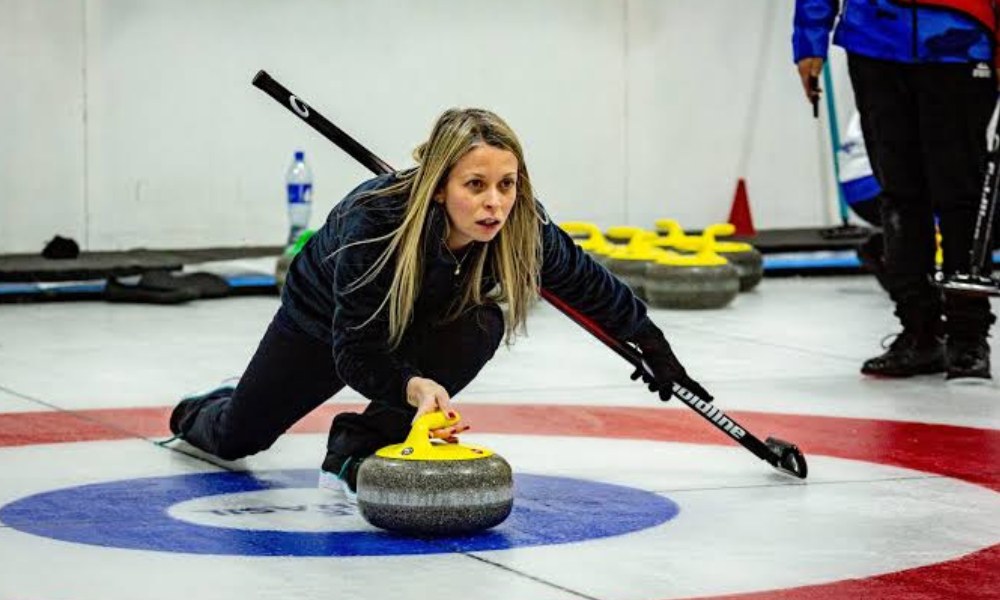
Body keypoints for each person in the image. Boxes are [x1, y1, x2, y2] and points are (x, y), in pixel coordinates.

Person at [168, 108, 710, 502]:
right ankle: (207, 406)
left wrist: (652, 341)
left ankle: (360, 441)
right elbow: (355, 351)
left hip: (425, 318)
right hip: (322, 325)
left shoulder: (521, 225)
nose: (493, 202)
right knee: (239, 439)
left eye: (506, 184)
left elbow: (588, 283)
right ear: (439, 186)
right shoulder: (373, 226)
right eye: (474, 184)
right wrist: (411, 385)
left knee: (482, 323)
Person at [793, 0, 998, 381]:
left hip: (961, 42)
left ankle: (968, 337)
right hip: (875, 43)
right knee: (899, 192)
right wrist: (810, 38)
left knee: (961, 195)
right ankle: (918, 331)